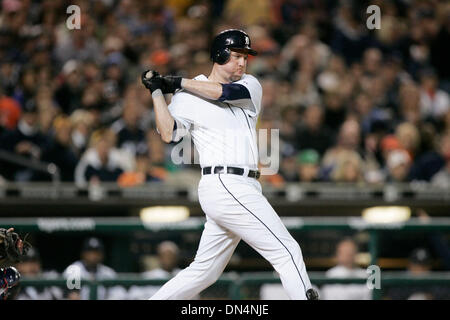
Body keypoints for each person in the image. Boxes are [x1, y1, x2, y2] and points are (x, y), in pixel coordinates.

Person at [141, 29, 318, 300]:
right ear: (220, 54)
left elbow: (222, 92)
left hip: (242, 186)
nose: (242, 62)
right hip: (225, 183)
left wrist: (178, 82)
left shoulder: (250, 84)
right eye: (236, 56)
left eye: (245, 57)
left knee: (205, 272)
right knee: (286, 250)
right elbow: (168, 133)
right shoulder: (185, 98)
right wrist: (156, 92)